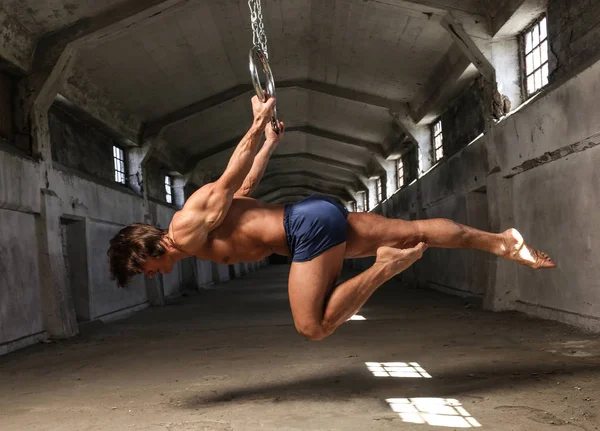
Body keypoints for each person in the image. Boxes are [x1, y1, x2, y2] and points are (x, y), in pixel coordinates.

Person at [108, 96, 555, 341]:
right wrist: (269, 143)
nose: (150, 276)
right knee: (417, 232)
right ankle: (503, 242)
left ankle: (384, 266)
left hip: (305, 230)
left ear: (145, 252)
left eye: (142, 271)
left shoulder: (184, 228)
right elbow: (243, 193)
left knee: (312, 326)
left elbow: (228, 178)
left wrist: (255, 125)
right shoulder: (193, 234)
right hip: (311, 218)